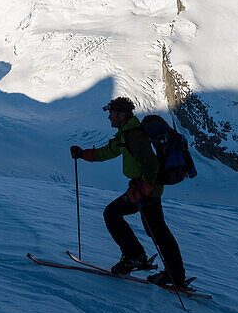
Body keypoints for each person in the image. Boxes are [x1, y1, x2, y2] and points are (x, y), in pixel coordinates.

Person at [70, 96, 189, 288]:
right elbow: (106, 152)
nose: (109, 117)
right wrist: (83, 154)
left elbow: (151, 164)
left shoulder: (134, 135)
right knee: (156, 230)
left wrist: (144, 189)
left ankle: (145, 262)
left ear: (122, 114)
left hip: (146, 190)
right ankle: (168, 271)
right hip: (143, 188)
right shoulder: (126, 134)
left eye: (112, 113)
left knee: (122, 217)